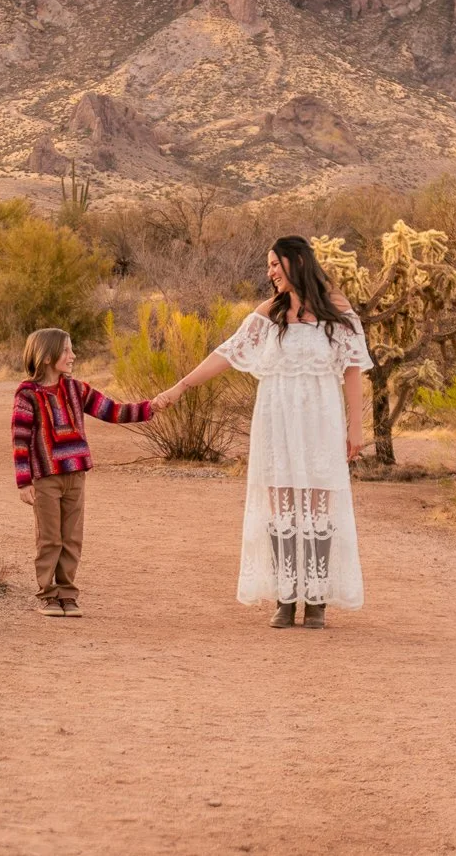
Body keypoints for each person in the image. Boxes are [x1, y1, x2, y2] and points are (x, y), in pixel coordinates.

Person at [154, 237, 371, 628]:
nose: (270, 272)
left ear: (296, 261)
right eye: (269, 265)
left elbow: (353, 369)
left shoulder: (337, 310)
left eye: (275, 264)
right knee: (282, 503)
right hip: (277, 418)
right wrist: (181, 387)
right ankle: (286, 598)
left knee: (319, 505)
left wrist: (355, 426)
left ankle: (317, 599)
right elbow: (225, 353)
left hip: (321, 417)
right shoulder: (269, 313)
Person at [11, 328, 155, 619]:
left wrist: (151, 408)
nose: (73, 356)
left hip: (76, 475)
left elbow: (113, 411)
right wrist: (23, 481)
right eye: (67, 350)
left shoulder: (77, 390)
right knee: (50, 537)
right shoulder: (27, 394)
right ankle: (48, 595)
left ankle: (67, 593)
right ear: (48, 355)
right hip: (46, 478)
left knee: (72, 536)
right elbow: (20, 438)